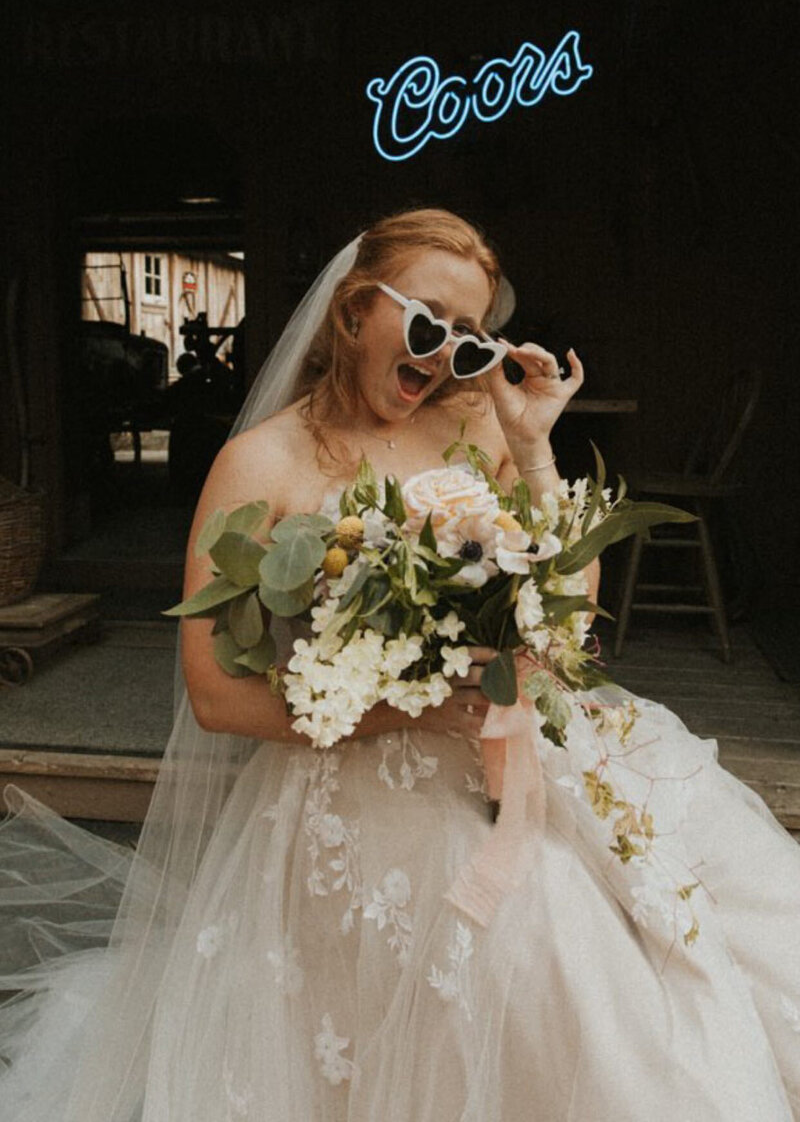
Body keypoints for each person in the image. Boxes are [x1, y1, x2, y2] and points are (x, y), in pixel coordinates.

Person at [1, 207, 799, 1121]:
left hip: (523, 746)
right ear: (353, 313)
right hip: (359, 788)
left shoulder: (479, 426)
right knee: (539, 952)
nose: (445, 355)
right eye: (426, 325)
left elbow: (572, 615)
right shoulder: (260, 465)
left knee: (693, 938)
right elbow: (217, 694)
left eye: (469, 339)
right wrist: (405, 707)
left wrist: (533, 446)